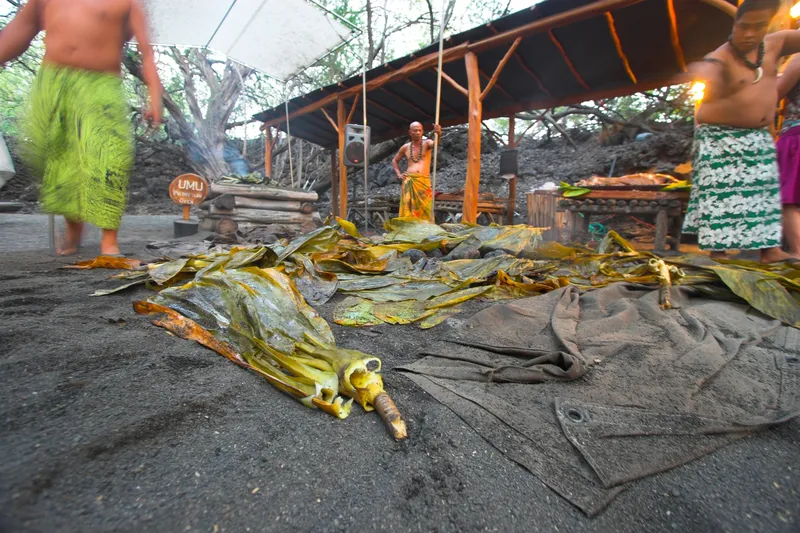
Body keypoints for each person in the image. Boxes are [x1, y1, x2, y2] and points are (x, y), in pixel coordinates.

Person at [0, 0, 162, 256]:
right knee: (58, 157)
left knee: (110, 159)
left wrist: (155, 94)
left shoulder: (127, 2)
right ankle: (73, 225)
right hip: (53, 82)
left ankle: (109, 240)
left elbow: (147, 52)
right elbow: (20, 29)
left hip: (102, 86)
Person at [685, 0, 800, 263]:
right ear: (735, 24)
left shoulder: (776, 44)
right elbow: (709, 69)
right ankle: (719, 253)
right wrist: (703, 71)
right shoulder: (720, 57)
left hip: (757, 135)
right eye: (744, 27)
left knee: (764, 193)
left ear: (768, 25)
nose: (749, 34)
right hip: (719, 137)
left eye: (758, 27)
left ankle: (770, 251)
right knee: (722, 197)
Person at [391, 122, 442, 221]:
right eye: (415, 130)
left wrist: (439, 134)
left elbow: (436, 144)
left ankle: (426, 230)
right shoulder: (405, 147)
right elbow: (394, 161)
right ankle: (407, 229)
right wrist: (399, 174)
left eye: (419, 130)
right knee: (408, 208)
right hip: (409, 180)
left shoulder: (427, 143)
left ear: (422, 131)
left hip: (423, 181)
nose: (417, 132)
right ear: (410, 132)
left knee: (426, 207)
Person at [777, 53, 800, 256]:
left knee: (788, 198)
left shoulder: (798, 59)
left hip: (796, 134)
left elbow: (775, 92)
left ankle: (798, 252)